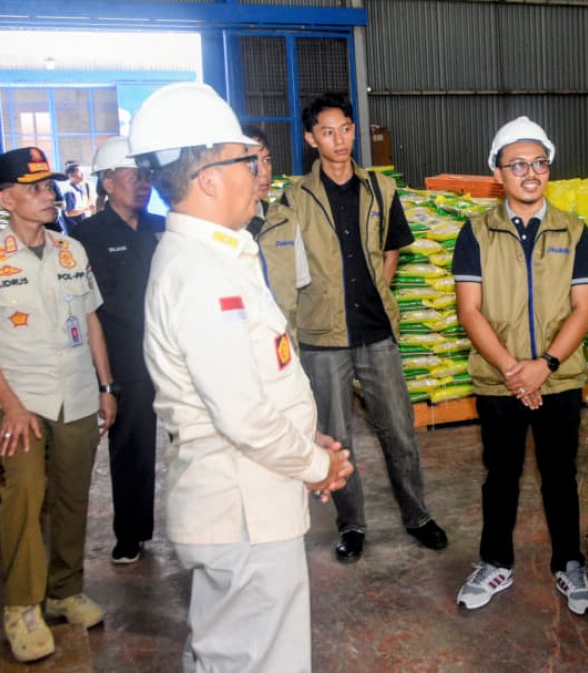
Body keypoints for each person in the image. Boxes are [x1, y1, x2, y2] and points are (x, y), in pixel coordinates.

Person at [128, 82, 352, 672]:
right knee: (258, 658)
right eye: (245, 161)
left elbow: (259, 381)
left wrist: (307, 446)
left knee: (226, 652)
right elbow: (243, 415)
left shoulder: (220, 256)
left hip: (252, 495)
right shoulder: (204, 274)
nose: (258, 173)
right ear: (206, 178)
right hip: (242, 506)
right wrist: (317, 465)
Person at [259, 93, 446, 564]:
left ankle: (417, 514)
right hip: (323, 338)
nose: (339, 140)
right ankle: (353, 524)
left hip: (376, 331)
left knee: (399, 431)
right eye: (327, 132)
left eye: (345, 129)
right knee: (338, 438)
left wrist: (377, 290)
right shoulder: (296, 198)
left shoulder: (381, 189)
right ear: (310, 138)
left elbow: (393, 246)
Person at [0, 147, 117, 663]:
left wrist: (106, 387)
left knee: (72, 494)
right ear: (6, 198)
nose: (50, 194)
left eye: (49, 185)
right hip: (20, 400)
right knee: (23, 496)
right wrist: (11, 406)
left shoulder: (72, 251)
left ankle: (65, 590)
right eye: (36, 188)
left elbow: (91, 321)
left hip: (77, 395)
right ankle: (22, 605)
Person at [452, 117, 588, 615]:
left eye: (539, 163)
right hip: (500, 379)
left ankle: (568, 563)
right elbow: (469, 309)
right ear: (499, 173)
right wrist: (516, 370)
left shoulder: (574, 232)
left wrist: (547, 364)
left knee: (560, 472)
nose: (530, 172)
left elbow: (584, 308)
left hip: (558, 376)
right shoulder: (476, 233)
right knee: (502, 472)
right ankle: (495, 561)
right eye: (518, 164)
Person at [70, 138, 164, 564]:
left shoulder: (161, 227)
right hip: (126, 357)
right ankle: (131, 533)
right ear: (107, 183)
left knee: (193, 442)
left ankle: (198, 527)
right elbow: (88, 310)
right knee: (132, 449)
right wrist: (104, 378)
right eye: (133, 177)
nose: (143, 185)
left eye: (146, 177)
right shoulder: (85, 237)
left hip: (172, 351)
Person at [243, 126, 274, 239]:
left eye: (267, 160)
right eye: (252, 162)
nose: (264, 172)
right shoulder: (217, 224)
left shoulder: (284, 219)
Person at [60, 161, 93, 230]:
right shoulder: (69, 191)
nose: (83, 174)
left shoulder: (84, 187)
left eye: (83, 172)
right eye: (80, 172)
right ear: (71, 175)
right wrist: (86, 209)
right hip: (74, 228)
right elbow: (69, 212)